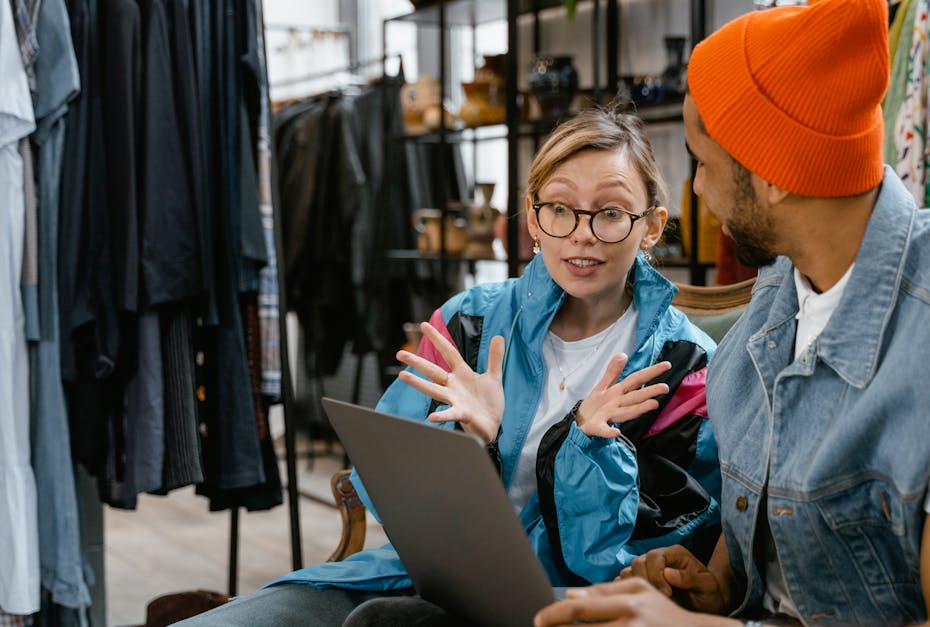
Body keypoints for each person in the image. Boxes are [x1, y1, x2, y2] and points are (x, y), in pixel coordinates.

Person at [535, 2, 930, 626]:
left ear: (773, 174)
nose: (697, 189)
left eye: (704, 162)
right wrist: (715, 585)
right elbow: (768, 525)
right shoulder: (782, 291)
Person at [179, 107, 722, 626]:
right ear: (532, 218)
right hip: (425, 580)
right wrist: (471, 443)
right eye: (559, 208)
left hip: (574, 604)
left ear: (652, 225)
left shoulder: (686, 367)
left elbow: (653, 559)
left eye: (610, 213)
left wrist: (588, 447)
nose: (581, 233)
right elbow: (389, 490)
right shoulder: (470, 322)